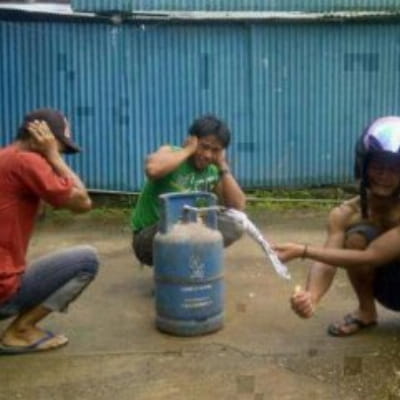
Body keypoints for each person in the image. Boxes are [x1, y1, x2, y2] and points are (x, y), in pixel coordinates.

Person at [273, 116, 400, 337]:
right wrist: (311, 296)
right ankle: (366, 312)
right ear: (363, 166)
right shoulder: (345, 213)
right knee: (356, 238)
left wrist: (302, 250)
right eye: (377, 166)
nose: (384, 176)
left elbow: (372, 257)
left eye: (394, 169)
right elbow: (327, 261)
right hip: (391, 288)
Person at [0, 108, 99, 354]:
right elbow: (83, 202)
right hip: (3, 289)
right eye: (59, 147)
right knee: (86, 261)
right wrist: (53, 156)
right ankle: (20, 331)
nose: (58, 154)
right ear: (41, 137)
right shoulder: (26, 161)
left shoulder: (5, 158)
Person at [131, 114, 246, 266]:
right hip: (148, 238)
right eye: (204, 146)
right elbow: (152, 170)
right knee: (188, 225)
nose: (207, 155)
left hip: (187, 230)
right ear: (193, 140)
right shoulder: (172, 153)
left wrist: (223, 166)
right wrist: (188, 150)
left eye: (215, 150)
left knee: (235, 224)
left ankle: (190, 268)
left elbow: (238, 207)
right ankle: (180, 270)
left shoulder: (213, 170)